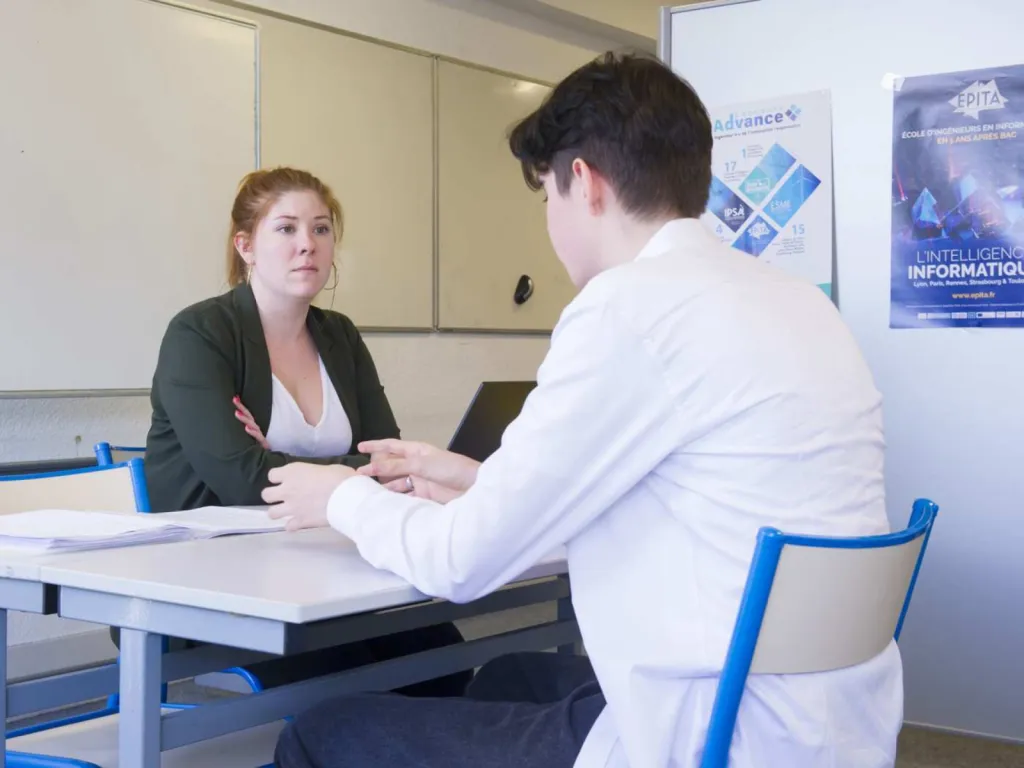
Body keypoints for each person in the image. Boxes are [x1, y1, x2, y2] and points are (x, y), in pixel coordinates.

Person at [262, 53, 902, 768]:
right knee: (509, 674)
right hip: (828, 727)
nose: (550, 223)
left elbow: (459, 564)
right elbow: (690, 514)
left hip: (707, 738)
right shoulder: (797, 302)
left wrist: (344, 495)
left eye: (547, 199)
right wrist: (484, 484)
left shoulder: (628, 307)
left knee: (322, 734)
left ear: (584, 184)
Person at [138, 166, 469, 695]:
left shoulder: (338, 334)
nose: (307, 246)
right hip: (219, 579)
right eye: (286, 229)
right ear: (245, 246)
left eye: (321, 229)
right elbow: (243, 480)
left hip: (326, 562)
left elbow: (387, 460)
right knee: (366, 679)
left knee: (445, 659)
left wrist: (282, 459)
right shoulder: (199, 334)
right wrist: (318, 471)